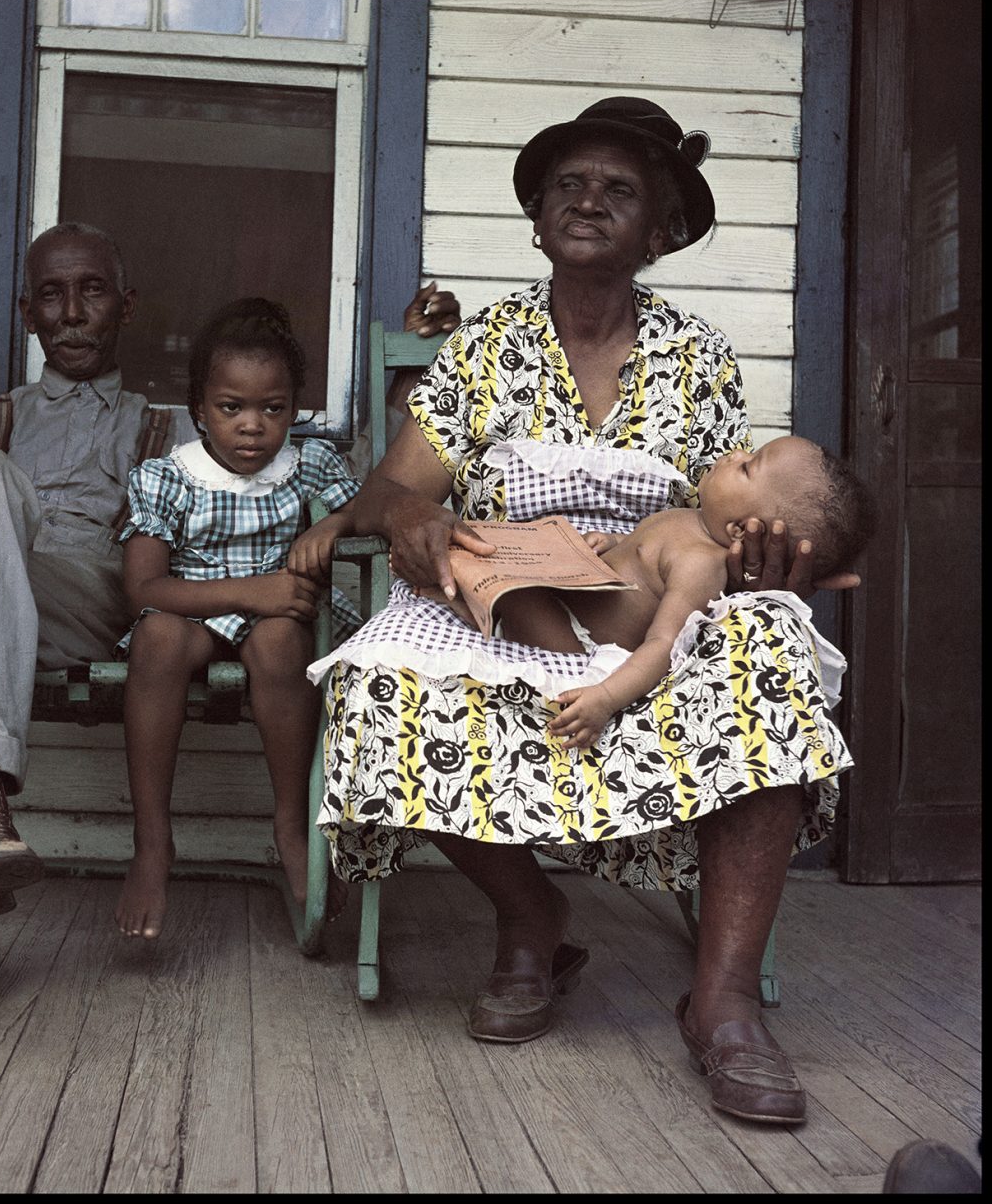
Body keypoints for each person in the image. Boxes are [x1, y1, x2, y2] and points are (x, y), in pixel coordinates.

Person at [311, 97, 861, 1127]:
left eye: (619, 188)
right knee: (377, 682)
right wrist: (421, 515)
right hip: (504, 601)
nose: (588, 199)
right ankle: (532, 919)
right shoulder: (487, 348)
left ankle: (725, 999)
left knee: (778, 647)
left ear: (659, 231)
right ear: (536, 218)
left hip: (642, 601)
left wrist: (771, 562)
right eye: (568, 183)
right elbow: (389, 491)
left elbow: (728, 509)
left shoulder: (698, 354)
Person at [0, 219, 459, 1041]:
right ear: (27, 312)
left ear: (124, 306)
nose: (71, 311)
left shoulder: (178, 429)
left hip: (96, 601)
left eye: (90, 290)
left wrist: (416, 370)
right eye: (51, 295)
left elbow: (328, 468)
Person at [113, 299, 359, 939]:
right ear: (199, 408)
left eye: (272, 409)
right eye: (231, 408)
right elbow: (144, 586)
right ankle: (152, 842)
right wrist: (253, 591)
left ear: (293, 410)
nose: (253, 426)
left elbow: (370, 514)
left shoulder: (309, 466)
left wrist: (333, 522)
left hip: (275, 621)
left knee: (282, 643)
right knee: (156, 636)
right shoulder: (167, 478)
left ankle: (290, 826)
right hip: (196, 613)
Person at [495, 437, 874, 752]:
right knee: (511, 572)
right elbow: (644, 554)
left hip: (581, 647)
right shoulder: (688, 522)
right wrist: (611, 543)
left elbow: (663, 643)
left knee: (515, 592)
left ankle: (466, 611)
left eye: (747, 466)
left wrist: (606, 697)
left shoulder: (700, 565)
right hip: (572, 606)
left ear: (741, 530)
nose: (734, 453)